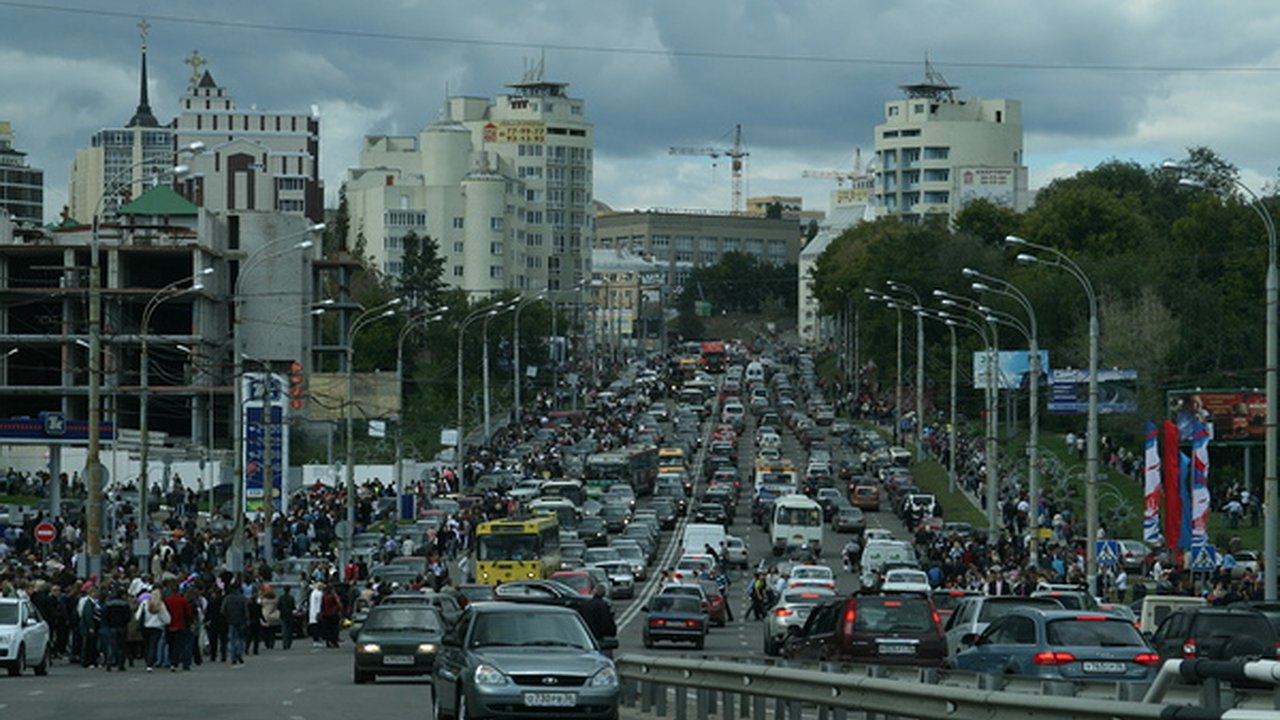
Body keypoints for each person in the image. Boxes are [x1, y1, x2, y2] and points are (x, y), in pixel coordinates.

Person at [137, 589, 170, 671]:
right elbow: (166, 618)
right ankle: (150, 663)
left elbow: (138, 616)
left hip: (145, 627)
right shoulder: (160, 605)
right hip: (156, 627)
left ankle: (147, 660)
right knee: (153, 645)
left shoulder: (144, 603)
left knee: (147, 645)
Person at [578, 585, 617, 653]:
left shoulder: (586, 605)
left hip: (587, 637)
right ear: (604, 594)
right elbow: (607, 623)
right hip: (600, 638)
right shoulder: (604, 606)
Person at [222, 581, 248, 666]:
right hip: (241, 620)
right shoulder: (242, 598)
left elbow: (222, 610)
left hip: (231, 620)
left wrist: (227, 616)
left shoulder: (228, 598)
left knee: (232, 639)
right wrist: (246, 619)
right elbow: (246, 610)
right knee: (240, 639)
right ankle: (239, 653)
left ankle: (233, 656)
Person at [276, 584, 296, 650]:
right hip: (289, 615)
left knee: (284, 630)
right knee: (289, 630)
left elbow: (278, 606)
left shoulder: (281, 598)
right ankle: (288, 643)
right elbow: (293, 607)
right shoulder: (291, 598)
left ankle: (284, 643)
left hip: (283, 615)